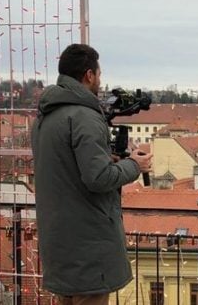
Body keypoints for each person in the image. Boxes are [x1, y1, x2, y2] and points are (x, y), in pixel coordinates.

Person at [31, 44, 153, 305]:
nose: (100, 79)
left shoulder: (46, 115)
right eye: (99, 74)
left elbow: (65, 167)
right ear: (88, 75)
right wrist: (134, 166)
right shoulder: (84, 116)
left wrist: (106, 159)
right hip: (88, 244)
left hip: (59, 238)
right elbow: (98, 179)